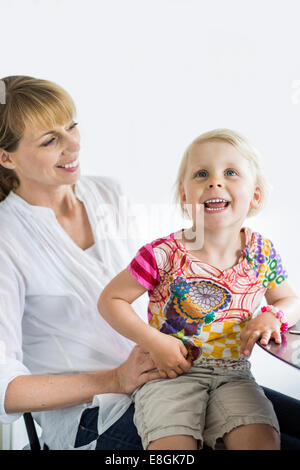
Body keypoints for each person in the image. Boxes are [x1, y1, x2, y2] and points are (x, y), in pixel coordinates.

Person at [0, 77, 299, 451]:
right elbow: (5, 390)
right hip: (92, 409)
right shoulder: (5, 239)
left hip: (176, 370)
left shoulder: (108, 193)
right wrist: (115, 378)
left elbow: (167, 279)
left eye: (72, 126)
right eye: (50, 140)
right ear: (6, 157)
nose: (74, 144)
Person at [98, 128, 300, 450]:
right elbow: (111, 299)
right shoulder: (162, 253)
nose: (215, 182)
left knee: (262, 442)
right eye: (202, 173)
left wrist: (273, 315)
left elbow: (290, 300)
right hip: (168, 376)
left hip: (234, 376)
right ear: (184, 197)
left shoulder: (261, 253)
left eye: (230, 172)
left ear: (256, 196)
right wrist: (154, 340)